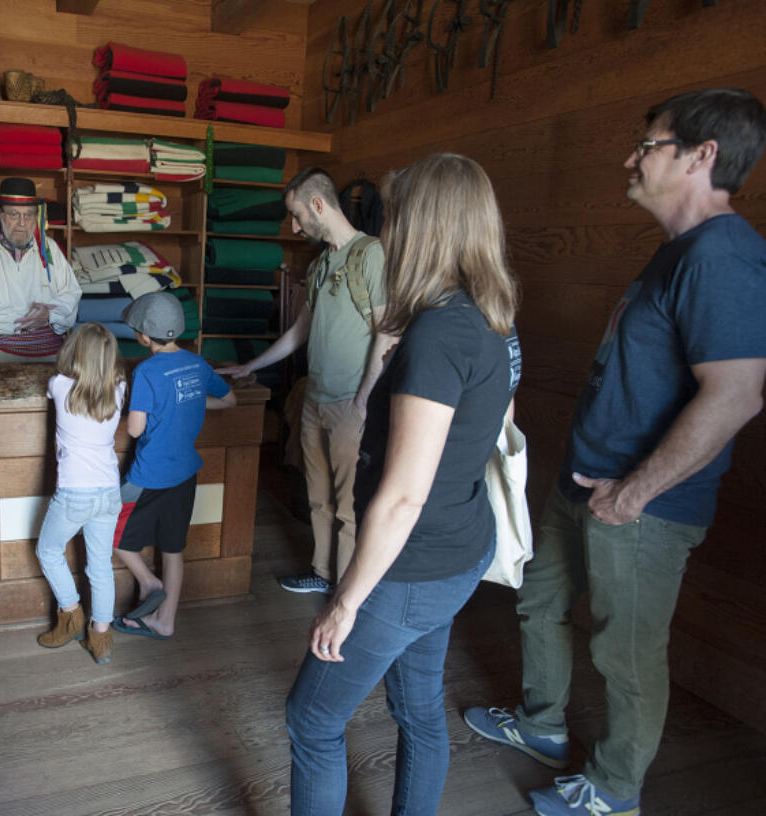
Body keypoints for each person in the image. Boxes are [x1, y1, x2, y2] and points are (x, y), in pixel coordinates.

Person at [464, 88, 766, 816]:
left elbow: (736, 396)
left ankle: (615, 790)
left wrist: (632, 494)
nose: (631, 158)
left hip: (643, 507)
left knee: (624, 654)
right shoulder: (677, 253)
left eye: (649, 145)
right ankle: (540, 727)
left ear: (703, 155)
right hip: (585, 484)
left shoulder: (724, 258)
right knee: (539, 604)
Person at [285, 154, 522, 816]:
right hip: (456, 549)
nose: (382, 231)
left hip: (411, 567)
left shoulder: (442, 332)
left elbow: (404, 496)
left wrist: (345, 601)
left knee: (311, 720)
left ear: (421, 226)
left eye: (390, 217)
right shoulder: (488, 313)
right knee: (416, 710)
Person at [218, 168, 396, 595]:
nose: (294, 226)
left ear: (318, 205)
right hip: (316, 399)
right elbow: (301, 331)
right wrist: (250, 366)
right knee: (317, 497)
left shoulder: (370, 255)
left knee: (352, 505)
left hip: (352, 404)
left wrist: (365, 399)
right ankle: (322, 572)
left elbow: (388, 332)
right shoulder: (319, 266)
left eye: (297, 215)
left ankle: (348, 592)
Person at [109, 291, 236, 640]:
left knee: (104, 527)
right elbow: (228, 399)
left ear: (143, 336)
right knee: (173, 549)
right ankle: (165, 622)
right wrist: (188, 403)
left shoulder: (146, 371)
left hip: (148, 474)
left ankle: (149, 583)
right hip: (185, 473)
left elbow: (135, 428)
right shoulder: (197, 363)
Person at [34, 322, 127, 664]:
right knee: (100, 566)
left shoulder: (59, 385)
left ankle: (71, 613)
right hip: (108, 491)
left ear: (75, 352)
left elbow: (57, 382)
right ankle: (100, 637)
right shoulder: (119, 388)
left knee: (48, 550)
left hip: (75, 492)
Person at [0, 176, 81, 362]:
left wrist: (50, 315)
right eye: (14, 214)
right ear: (0, 214)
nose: (22, 223)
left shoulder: (49, 247)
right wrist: (26, 321)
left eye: (29, 214)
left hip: (45, 345)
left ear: (36, 217)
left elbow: (71, 292)